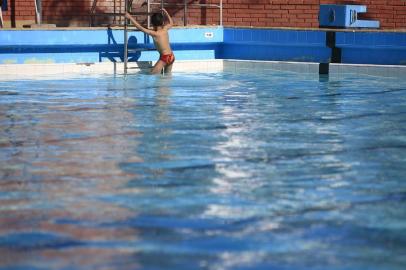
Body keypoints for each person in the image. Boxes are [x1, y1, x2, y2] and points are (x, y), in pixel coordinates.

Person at [125, 9, 174, 75]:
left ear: (152, 24)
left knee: (152, 75)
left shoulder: (154, 33)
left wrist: (130, 17)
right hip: (171, 56)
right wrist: (166, 12)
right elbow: (171, 23)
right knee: (167, 77)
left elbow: (140, 28)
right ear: (162, 22)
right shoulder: (165, 29)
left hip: (164, 58)